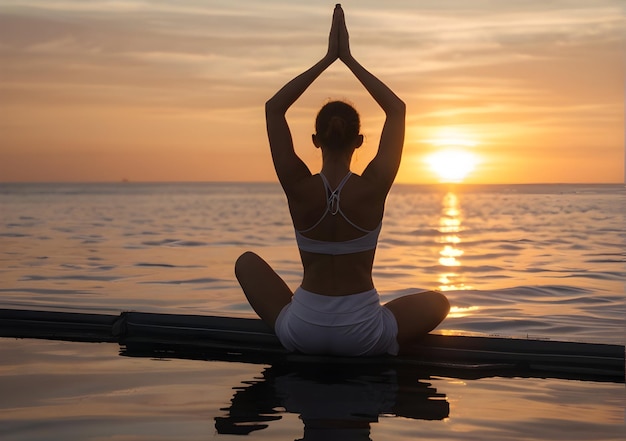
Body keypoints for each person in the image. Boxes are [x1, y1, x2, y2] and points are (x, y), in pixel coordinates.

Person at [235, 4, 449, 356]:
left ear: (315, 140)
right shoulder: (373, 187)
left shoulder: (299, 188)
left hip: (302, 330)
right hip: (364, 335)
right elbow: (397, 110)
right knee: (439, 302)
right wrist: (348, 58)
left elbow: (274, 108)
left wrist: (327, 59)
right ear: (360, 142)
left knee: (245, 262)